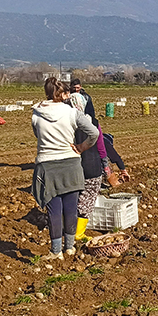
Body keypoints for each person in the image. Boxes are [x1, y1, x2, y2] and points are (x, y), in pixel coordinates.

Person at [32, 77, 98, 259]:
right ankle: (70, 248)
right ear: (61, 94)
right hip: (71, 164)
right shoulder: (72, 113)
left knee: (54, 210)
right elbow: (94, 132)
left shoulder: (36, 113)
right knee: (70, 207)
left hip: (48, 166)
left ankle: (55, 252)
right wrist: (82, 147)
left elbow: (37, 134)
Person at [67, 92, 105, 242]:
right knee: (87, 198)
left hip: (72, 166)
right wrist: (106, 167)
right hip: (91, 165)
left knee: (73, 197)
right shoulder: (93, 122)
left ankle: (67, 228)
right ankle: (78, 233)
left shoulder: (67, 123)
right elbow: (101, 146)